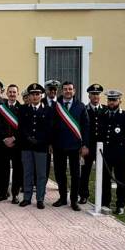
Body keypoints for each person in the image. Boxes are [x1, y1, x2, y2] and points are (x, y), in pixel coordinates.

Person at [51, 81, 89, 211]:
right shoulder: (56, 106)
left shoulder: (81, 106)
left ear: (74, 91)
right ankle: (62, 198)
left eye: (70, 89)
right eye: (65, 89)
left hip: (75, 146)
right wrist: (51, 143)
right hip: (59, 146)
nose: (68, 91)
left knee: (75, 174)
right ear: (62, 91)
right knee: (60, 173)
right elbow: (51, 126)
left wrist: (85, 145)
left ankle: (74, 201)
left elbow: (85, 127)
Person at [100, 90, 125, 215]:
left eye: (114, 100)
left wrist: (122, 144)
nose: (111, 102)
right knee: (105, 179)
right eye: (110, 100)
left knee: (121, 179)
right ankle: (105, 202)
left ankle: (120, 204)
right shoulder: (103, 114)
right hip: (106, 153)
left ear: (119, 101)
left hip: (120, 153)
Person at [18, 83, 52, 209]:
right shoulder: (23, 109)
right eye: (32, 94)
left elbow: (49, 129)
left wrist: (39, 140)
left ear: (41, 95)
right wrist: (28, 138)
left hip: (41, 146)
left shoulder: (48, 110)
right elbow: (21, 127)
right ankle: (27, 198)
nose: (35, 96)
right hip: (26, 146)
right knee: (27, 172)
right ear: (29, 96)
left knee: (41, 174)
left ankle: (40, 199)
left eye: (37, 94)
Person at [78, 83, 105, 204]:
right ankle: (83, 195)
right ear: (89, 96)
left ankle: (104, 199)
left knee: (104, 174)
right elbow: (81, 129)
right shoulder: (84, 109)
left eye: (97, 94)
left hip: (102, 148)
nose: (95, 97)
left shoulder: (105, 110)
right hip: (88, 147)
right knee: (85, 173)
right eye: (93, 94)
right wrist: (84, 145)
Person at [0, 84, 24, 203]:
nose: (12, 94)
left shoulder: (22, 109)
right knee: (3, 169)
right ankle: (3, 193)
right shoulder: (1, 108)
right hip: (3, 144)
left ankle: (15, 194)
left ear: (17, 94)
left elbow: (24, 128)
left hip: (16, 144)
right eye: (10, 92)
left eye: (14, 92)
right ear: (7, 94)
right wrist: (4, 139)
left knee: (17, 170)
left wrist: (13, 138)